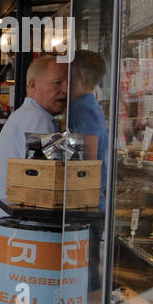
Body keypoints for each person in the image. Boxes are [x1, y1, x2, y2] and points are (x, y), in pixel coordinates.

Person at [0, 54, 67, 219]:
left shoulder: (26, 115)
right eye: (58, 83)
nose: (66, 89)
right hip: (29, 230)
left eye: (68, 83)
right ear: (33, 84)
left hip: (15, 228)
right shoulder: (38, 119)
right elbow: (50, 180)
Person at [68, 50, 109, 203]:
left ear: (79, 74)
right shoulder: (87, 105)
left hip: (89, 203)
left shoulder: (82, 108)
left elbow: (88, 162)